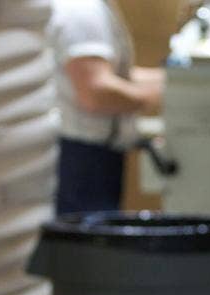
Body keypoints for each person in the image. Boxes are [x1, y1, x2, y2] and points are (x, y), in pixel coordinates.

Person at [47, 0, 164, 214]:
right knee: (88, 241)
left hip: (93, 153)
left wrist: (177, 83)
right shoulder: (81, 10)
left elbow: (117, 75)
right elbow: (96, 93)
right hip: (84, 158)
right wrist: (156, 96)